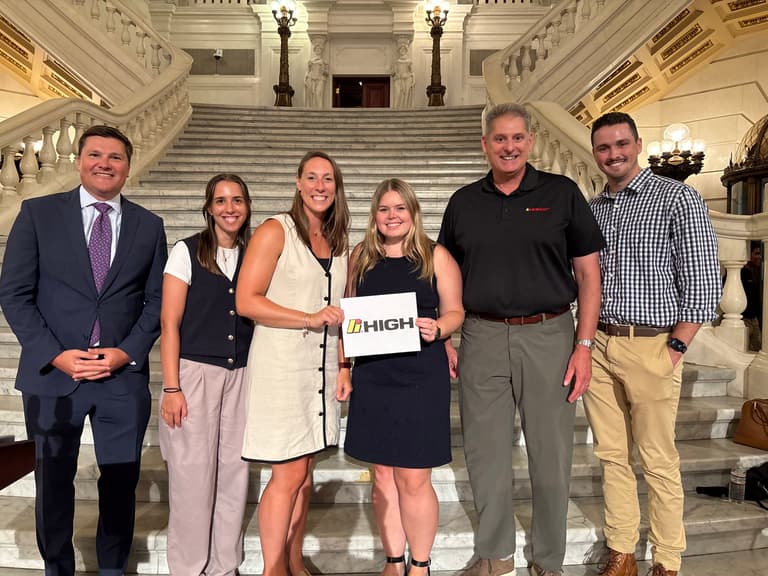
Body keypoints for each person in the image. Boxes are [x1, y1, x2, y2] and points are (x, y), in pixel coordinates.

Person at [438, 102, 604, 576]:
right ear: (485, 144)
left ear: (530, 141)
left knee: (551, 454)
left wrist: (584, 346)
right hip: (481, 335)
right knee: (484, 452)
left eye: (517, 138)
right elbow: (444, 275)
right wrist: (446, 337)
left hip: (550, 335)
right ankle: (495, 555)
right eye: (499, 138)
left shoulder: (562, 193)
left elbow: (589, 276)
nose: (508, 147)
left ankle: (548, 559)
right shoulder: (463, 202)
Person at [0, 125, 167, 576]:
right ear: (79, 161)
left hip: (120, 379)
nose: (104, 164)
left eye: (115, 157)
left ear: (127, 166)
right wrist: (55, 354)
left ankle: (112, 568)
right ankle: (58, 568)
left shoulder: (149, 226)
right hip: (54, 376)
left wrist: (126, 352)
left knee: (120, 481)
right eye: (95, 155)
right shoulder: (38, 214)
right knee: (53, 482)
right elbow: (14, 293)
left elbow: (157, 302)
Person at [585, 112, 721, 576]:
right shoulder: (593, 208)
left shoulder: (677, 197)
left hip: (653, 345)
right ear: (595, 153)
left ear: (638, 144)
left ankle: (666, 559)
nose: (613, 154)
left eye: (621, 144)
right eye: (604, 147)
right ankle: (622, 551)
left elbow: (703, 280)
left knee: (658, 458)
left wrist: (676, 347)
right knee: (611, 456)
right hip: (600, 344)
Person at [235, 151, 351, 576]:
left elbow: (344, 310)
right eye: (312, 177)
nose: (320, 186)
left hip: (320, 371)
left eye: (328, 179)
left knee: (304, 474)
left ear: (336, 188)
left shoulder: (338, 241)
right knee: (286, 475)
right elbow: (246, 301)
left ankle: (294, 560)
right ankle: (272, 569)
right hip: (281, 366)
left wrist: (344, 366)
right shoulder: (275, 230)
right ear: (298, 183)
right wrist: (307, 318)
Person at [343, 178, 464, 576]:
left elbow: (455, 311)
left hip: (420, 377)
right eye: (384, 209)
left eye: (399, 208)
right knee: (381, 475)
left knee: (413, 477)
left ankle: (420, 564)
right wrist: (344, 368)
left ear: (413, 212)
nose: (392, 216)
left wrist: (440, 329)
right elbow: (349, 315)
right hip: (373, 375)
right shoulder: (361, 255)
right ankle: (394, 561)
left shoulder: (435, 256)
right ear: (374, 215)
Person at [159, 173, 254, 575]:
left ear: (247, 207)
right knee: (192, 476)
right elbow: (169, 322)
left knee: (234, 472)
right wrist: (171, 387)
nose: (229, 208)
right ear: (209, 208)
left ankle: (223, 566)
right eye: (221, 201)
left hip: (243, 374)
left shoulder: (255, 252)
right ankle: (188, 567)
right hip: (194, 374)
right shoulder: (187, 251)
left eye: (237, 200)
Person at [741, 244, 762, 351]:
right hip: (743, 318)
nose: (759, 257)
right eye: (756, 253)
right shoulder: (741, 273)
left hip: (754, 318)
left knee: (757, 348)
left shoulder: (758, 272)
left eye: (760, 254)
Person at [305, 38, 328, 109]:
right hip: (311, 77)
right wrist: (306, 78)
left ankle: (319, 109)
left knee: (318, 93)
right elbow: (308, 71)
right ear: (314, 50)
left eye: (319, 49)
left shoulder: (324, 61)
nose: (318, 50)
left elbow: (326, 73)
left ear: (321, 50)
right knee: (312, 93)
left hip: (320, 78)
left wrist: (323, 70)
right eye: (316, 49)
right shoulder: (311, 61)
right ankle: (312, 108)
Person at [392, 41, 414, 109]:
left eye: (404, 49)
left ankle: (405, 108)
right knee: (397, 94)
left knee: (406, 94)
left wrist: (413, 81)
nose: (402, 51)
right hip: (399, 79)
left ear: (406, 51)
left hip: (407, 78)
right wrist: (395, 74)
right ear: (399, 51)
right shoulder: (396, 62)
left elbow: (412, 72)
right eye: (401, 49)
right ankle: (395, 108)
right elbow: (393, 72)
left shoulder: (409, 61)